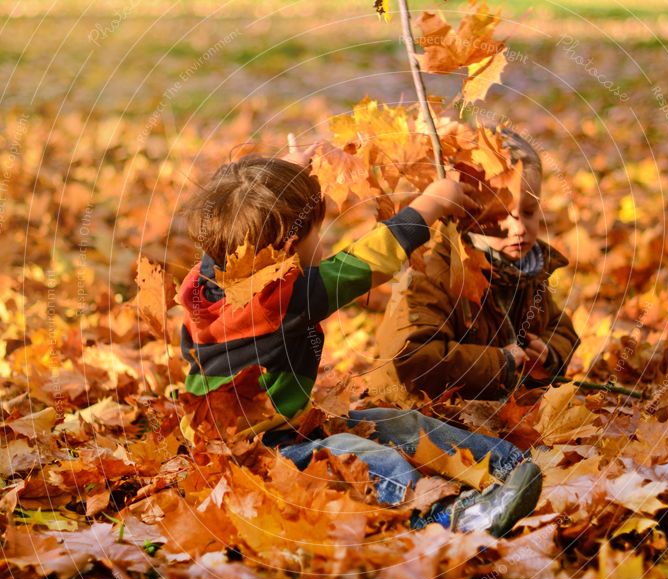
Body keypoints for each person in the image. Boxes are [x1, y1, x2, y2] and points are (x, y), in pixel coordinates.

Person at [175, 142, 542, 538]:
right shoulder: (284, 299)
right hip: (260, 454)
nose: (324, 244)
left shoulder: (205, 280)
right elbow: (369, 259)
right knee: (367, 457)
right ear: (285, 250)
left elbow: (240, 227)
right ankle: (448, 516)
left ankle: (514, 465)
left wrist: (282, 180)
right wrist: (430, 205)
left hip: (289, 426)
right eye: (316, 234)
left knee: (395, 422)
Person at [372, 127, 581, 402]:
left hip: (492, 408)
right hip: (421, 412)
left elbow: (559, 325)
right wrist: (499, 363)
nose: (518, 228)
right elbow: (413, 358)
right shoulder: (436, 271)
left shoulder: (527, 270)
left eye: (528, 212)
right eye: (501, 215)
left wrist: (550, 351)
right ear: (467, 211)